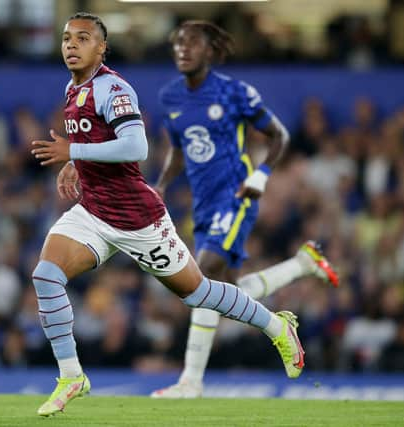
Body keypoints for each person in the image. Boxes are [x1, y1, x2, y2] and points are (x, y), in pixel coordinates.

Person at [30, 12, 304, 417]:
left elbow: (136, 147)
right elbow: (96, 139)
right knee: (46, 275)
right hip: (93, 212)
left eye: (83, 38)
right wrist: (78, 164)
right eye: (68, 38)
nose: (71, 45)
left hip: (138, 220)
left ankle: (277, 327)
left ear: (102, 47)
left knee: (198, 293)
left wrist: (74, 152)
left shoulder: (113, 88)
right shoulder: (73, 88)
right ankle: (72, 375)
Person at [150, 20, 340, 399]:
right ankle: (301, 265)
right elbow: (179, 148)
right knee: (226, 291)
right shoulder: (171, 97)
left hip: (236, 196)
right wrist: (162, 184)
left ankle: (194, 379)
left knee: (200, 279)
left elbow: (279, 135)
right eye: (178, 44)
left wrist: (263, 175)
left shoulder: (235, 93)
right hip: (203, 205)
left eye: (192, 43)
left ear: (210, 51)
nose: (182, 50)